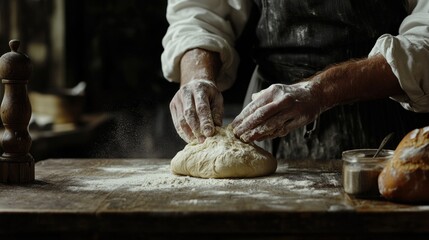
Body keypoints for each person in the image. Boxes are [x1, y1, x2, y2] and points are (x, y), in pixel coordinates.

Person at [161, 0, 429, 160]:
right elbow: (199, 11)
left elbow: (425, 40)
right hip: (267, 121)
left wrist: (321, 90)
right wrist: (197, 76)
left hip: (387, 129)